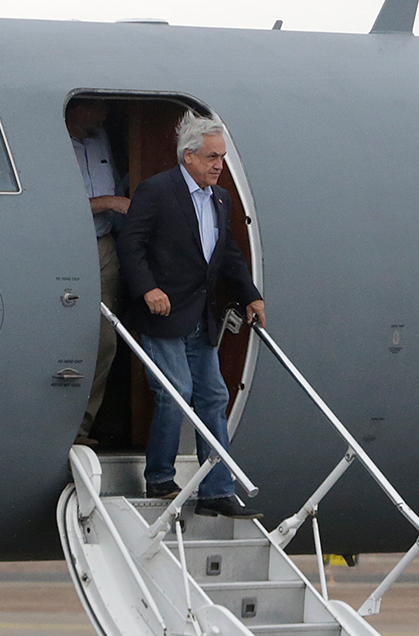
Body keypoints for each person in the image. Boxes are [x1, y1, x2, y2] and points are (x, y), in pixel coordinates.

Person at [116, 111, 265, 519]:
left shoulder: (220, 199)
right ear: (188, 158)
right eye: (212, 157)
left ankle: (217, 489)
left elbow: (228, 253)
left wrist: (251, 296)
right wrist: (148, 288)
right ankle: (160, 477)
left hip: (201, 316)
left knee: (214, 396)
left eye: (221, 156)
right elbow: (132, 244)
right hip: (163, 315)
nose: (219, 164)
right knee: (176, 392)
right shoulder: (157, 191)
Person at [67, 98, 130, 447]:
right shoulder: (54, 143)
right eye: (99, 106)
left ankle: (81, 430)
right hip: (67, 246)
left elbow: (118, 185)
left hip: (104, 244)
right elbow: (53, 201)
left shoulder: (101, 138)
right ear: (79, 110)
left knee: (105, 341)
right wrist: (107, 202)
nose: (107, 113)